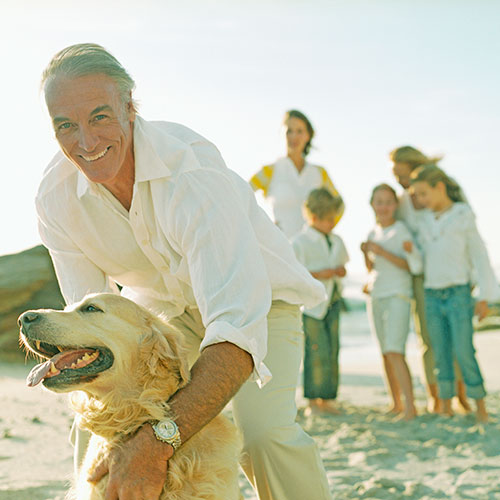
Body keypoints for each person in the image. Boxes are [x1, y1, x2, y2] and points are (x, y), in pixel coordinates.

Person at [36, 43, 333, 500]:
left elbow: (234, 329)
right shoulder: (55, 199)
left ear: (130, 108)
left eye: (99, 117)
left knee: (263, 437)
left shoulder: (190, 173)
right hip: (162, 316)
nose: (86, 142)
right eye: (65, 126)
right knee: (91, 439)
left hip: (257, 306)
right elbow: (90, 333)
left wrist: (158, 442)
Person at [410, 164, 497, 422]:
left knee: (463, 350)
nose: (421, 200)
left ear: (439, 187)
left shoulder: (462, 214)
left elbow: (479, 256)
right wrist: (410, 252)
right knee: (441, 352)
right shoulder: (423, 221)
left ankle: (480, 407)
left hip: (459, 294)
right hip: (432, 295)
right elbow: (419, 263)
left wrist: (484, 296)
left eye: (424, 194)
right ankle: (446, 407)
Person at [389, 145, 470, 413]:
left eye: (403, 175)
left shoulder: (443, 189)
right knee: (428, 338)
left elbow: (466, 232)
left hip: (450, 272)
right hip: (419, 275)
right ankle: (436, 396)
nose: (400, 182)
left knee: (455, 336)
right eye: (396, 177)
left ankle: (461, 395)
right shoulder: (402, 201)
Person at [361, 184, 423, 420]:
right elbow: (372, 268)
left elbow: (412, 266)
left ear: (396, 205)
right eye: (379, 201)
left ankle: (410, 406)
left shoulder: (402, 230)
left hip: (398, 294)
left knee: (396, 351)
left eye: (388, 201)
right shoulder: (372, 232)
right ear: (372, 205)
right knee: (385, 353)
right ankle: (395, 403)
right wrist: (365, 253)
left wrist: (381, 251)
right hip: (376, 294)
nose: (384, 206)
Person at [292, 188, 348, 415]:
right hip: (312, 306)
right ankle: (314, 401)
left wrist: (339, 272)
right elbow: (295, 273)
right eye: (327, 220)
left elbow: (342, 265)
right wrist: (319, 274)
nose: (332, 224)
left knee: (333, 349)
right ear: (313, 217)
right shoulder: (300, 242)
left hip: (333, 300)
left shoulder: (336, 240)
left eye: (334, 219)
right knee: (316, 351)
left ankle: (329, 399)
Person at [250, 109, 344, 239]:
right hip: (280, 248)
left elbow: (339, 204)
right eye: (289, 131)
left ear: (308, 136)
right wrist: (262, 226)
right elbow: (241, 194)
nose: (294, 136)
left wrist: (326, 228)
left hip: (313, 250)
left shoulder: (319, 173)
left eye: (299, 131)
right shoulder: (269, 171)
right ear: (282, 134)